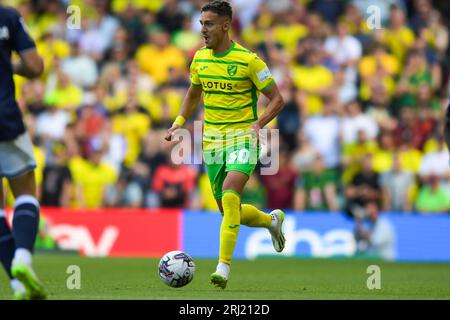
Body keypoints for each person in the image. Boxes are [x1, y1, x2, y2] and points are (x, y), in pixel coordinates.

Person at [165, 0, 285, 289]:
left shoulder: (249, 61)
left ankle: (223, 267)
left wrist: (260, 123)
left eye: (208, 24)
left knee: (231, 195)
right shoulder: (199, 59)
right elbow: (194, 92)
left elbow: (278, 99)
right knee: (227, 211)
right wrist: (180, 121)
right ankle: (271, 223)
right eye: (201, 24)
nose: (202, 29)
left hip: (244, 137)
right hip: (212, 142)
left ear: (225, 25)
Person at [0, 6, 46, 299]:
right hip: (4, 116)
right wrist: (9, 64)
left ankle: (18, 286)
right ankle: (22, 260)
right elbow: (35, 66)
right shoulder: (6, 16)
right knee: (26, 189)